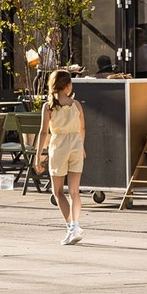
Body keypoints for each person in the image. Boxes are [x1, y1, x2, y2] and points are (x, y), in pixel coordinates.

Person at [35, 70, 85, 245]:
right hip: (76, 145)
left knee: (58, 191)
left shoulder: (48, 107)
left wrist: (38, 156)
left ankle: (71, 226)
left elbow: (43, 132)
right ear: (69, 86)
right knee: (74, 191)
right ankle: (76, 224)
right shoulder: (76, 105)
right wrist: (82, 146)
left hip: (59, 147)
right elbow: (82, 128)